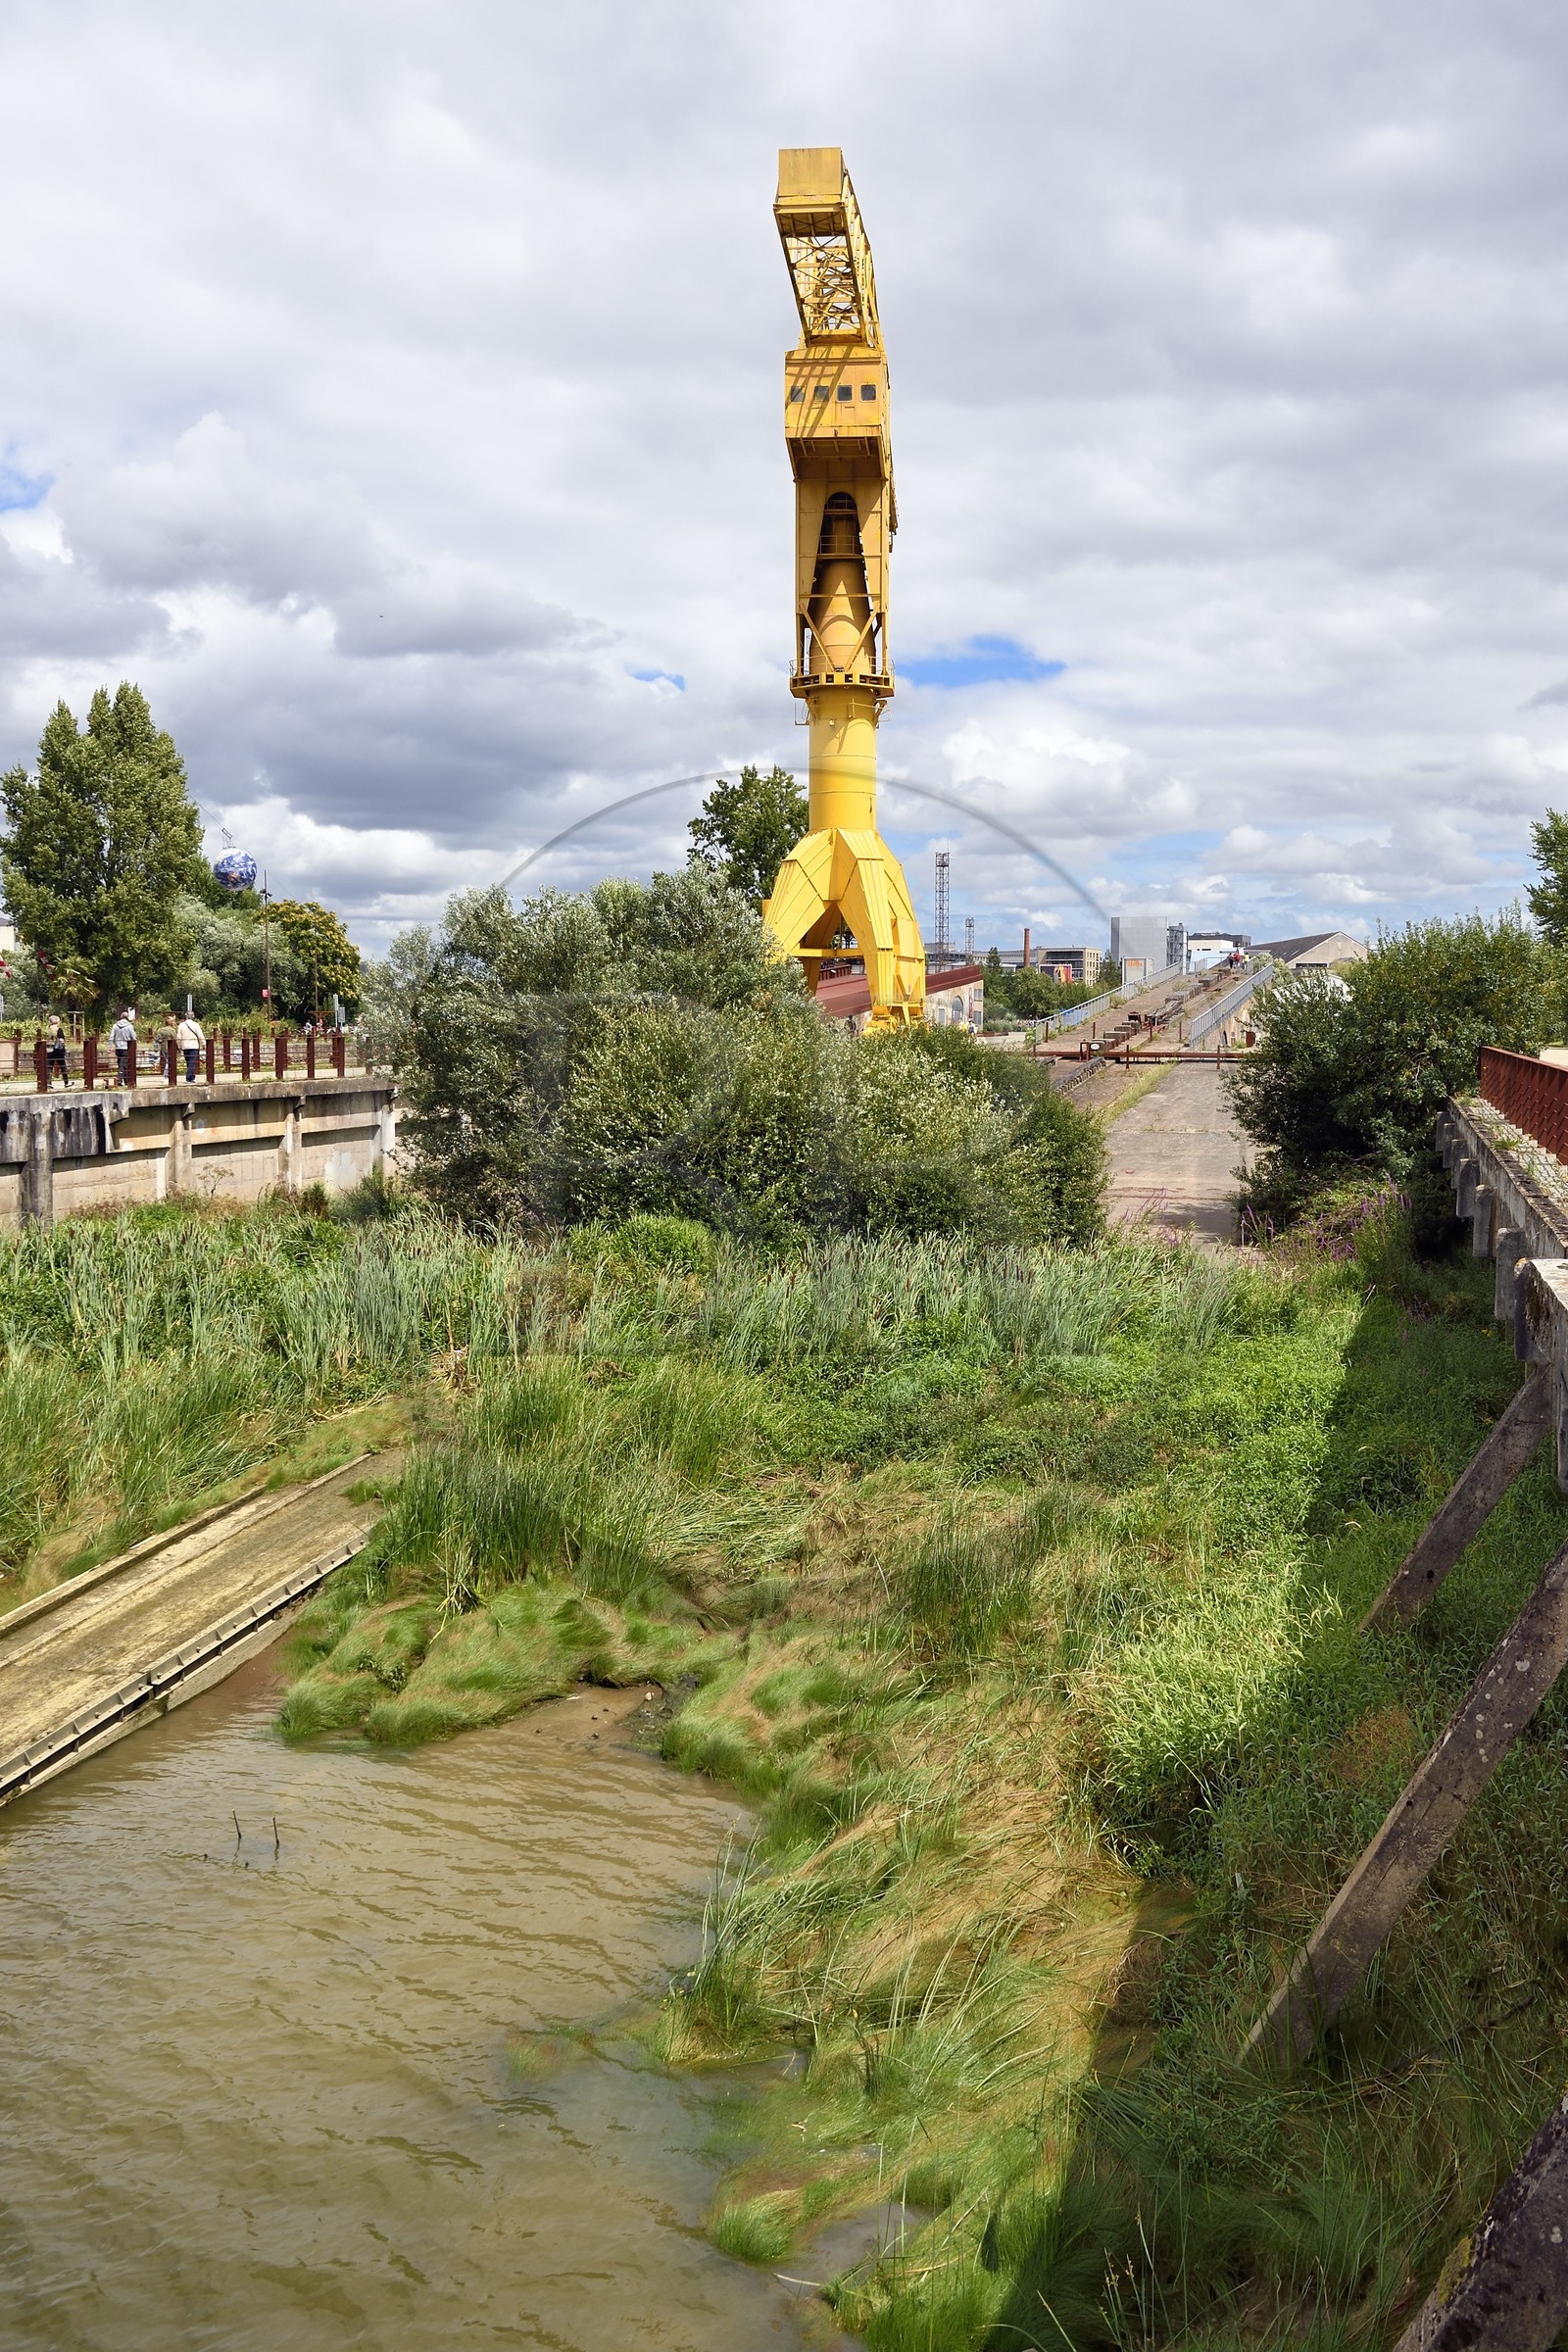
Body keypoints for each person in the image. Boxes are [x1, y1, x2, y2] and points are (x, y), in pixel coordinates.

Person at [175, 1007, 206, 1085]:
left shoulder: (181, 1025)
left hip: (185, 1046)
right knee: (192, 1062)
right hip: (194, 1045)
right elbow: (200, 1035)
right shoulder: (196, 1025)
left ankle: (191, 1077)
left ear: (186, 1016)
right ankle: (189, 1076)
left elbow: (179, 1037)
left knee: (188, 1061)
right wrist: (203, 1044)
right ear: (193, 1016)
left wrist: (179, 1046)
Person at [110, 1006, 136, 1086]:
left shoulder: (115, 1025)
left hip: (118, 1048)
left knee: (121, 1063)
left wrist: (110, 1046)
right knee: (124, 1064)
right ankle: (120, 1079)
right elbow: (134, 1037)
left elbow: (111, 1037)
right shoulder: (130, 1026)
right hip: (126, 1048)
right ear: (127, 1018)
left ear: (121, 1017)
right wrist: (135, 1046)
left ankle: (126, 1081)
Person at [45, 1011, 67, 1089]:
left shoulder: (48, 1030)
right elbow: (61, 1039)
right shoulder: (59, 1029)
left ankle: (48, 1082)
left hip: (49, 1050)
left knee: (49, 1067)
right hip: (58, 1050)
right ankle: (66, 1082)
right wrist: (63, 1045)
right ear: (58, 1021)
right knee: (62, 1066)